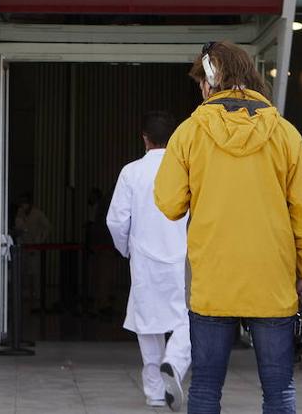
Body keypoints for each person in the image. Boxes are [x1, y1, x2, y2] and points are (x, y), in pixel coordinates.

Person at [154, 41, 302, 414]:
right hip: (272, 280)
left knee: (206, 389)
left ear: (210, 82)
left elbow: (169, 204)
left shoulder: (189, 132)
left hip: (213, 278)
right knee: (278, 391)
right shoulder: (285, 133)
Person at [106, 111, 190, 410]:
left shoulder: (131, 172)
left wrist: (127, 248)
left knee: (148, 325)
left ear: (144, 138)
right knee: (188, 319)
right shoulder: (187, 170)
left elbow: (116, 221)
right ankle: (175, 364)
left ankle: (155, 390)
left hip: (144, 260)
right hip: (183, 259)